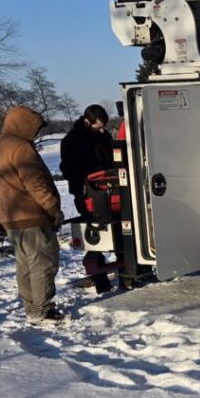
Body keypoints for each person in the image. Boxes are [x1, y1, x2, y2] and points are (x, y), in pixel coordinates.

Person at [0, 105, 65, 323]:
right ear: (23, 124)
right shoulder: (21, 147)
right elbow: (35, 183)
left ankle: (32, 308)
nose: (37, 132)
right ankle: (43, 310)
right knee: (42, 263)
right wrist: (52, 208)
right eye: (35, 127)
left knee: (25, 265)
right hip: (32, 215)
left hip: (12, 218)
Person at [60, 104, 116, 293]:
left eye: (103, 127)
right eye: (98, 127)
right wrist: (88, 179)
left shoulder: (104, 136)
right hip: (88, 195)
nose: (102, 130)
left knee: (119, 231)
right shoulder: (71, 141)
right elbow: (68, 170)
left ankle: (126, 272)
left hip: (112, 191)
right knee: (97, 234)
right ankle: (101, 281)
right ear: (87, 121)